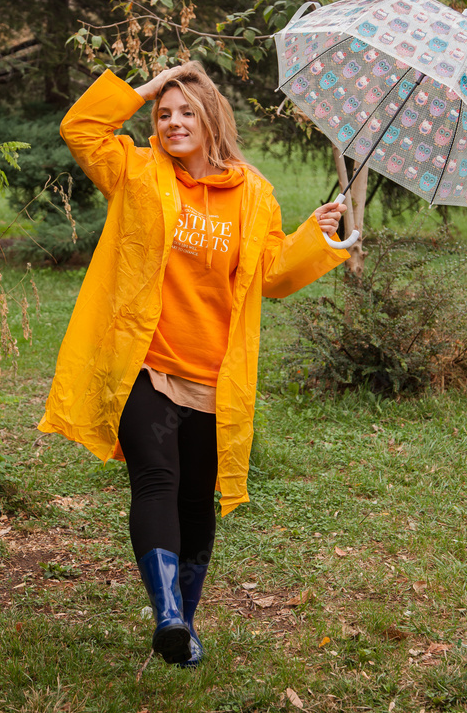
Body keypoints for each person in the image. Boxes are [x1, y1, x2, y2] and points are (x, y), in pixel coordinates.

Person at [38, 61, 349, 667]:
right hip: (144, 364)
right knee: (157, 479)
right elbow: (80, 127)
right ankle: (169, 614)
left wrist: (318, 236)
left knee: (197, 501)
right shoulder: (138, 172)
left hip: (213, 376)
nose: (173, 122)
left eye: (187, 112)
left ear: (213, 122)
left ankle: (182, 628)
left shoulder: (255, 193)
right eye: (164, 114)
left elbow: (273, 277)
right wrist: (154, 84)